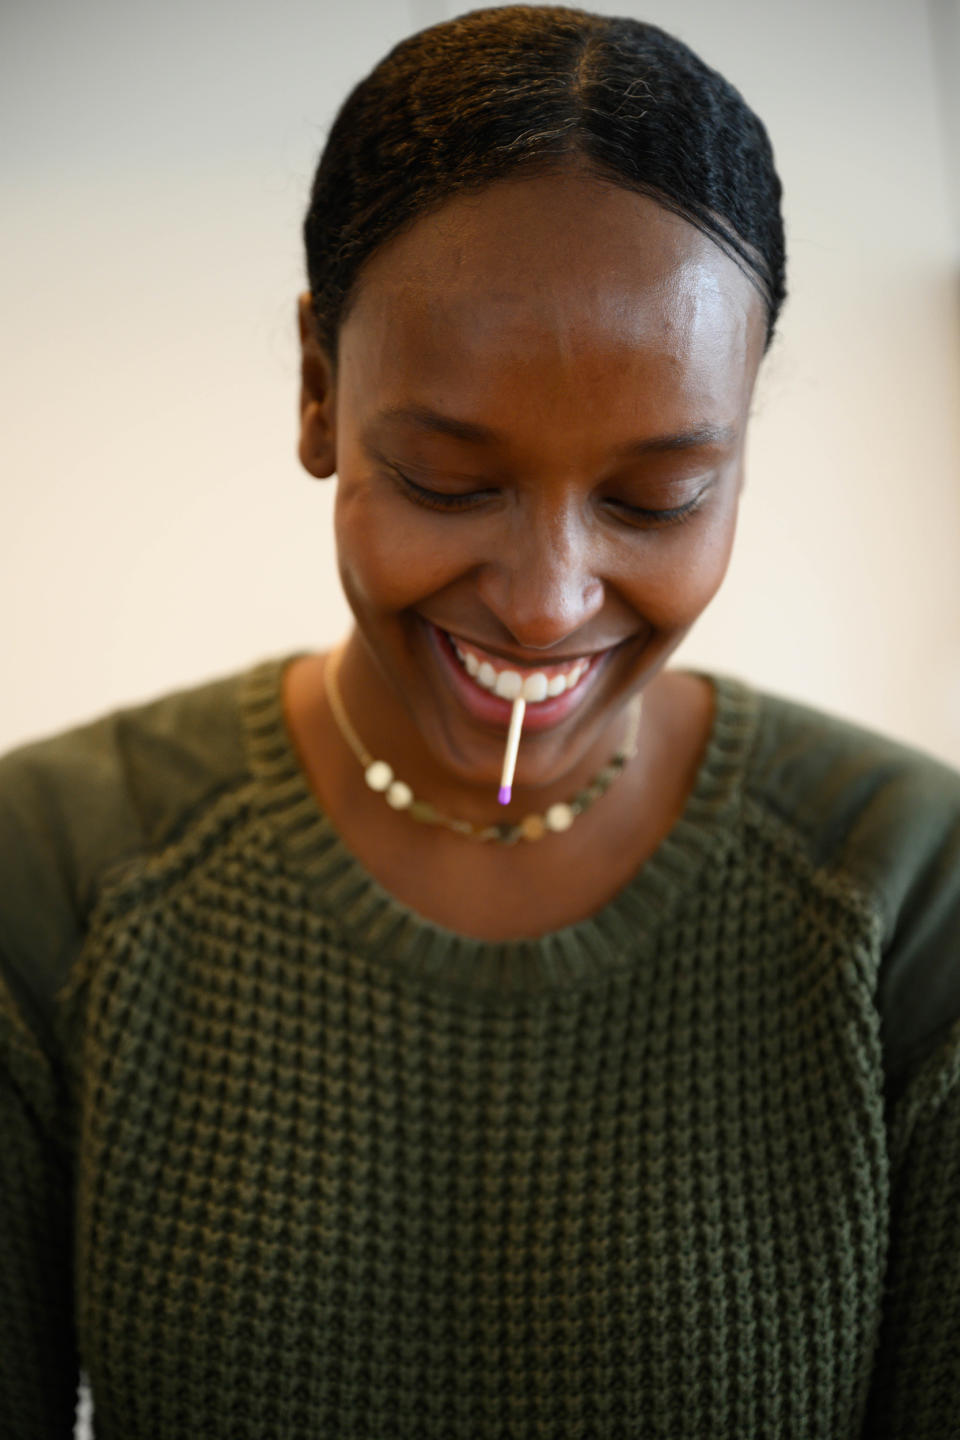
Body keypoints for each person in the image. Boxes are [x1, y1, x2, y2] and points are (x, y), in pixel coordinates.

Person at [1, 5, 958, 1437]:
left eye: (656, 499)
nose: (544, 601)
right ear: (321, 388)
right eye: (450, 480)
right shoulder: (57, 871)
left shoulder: (908, 889)